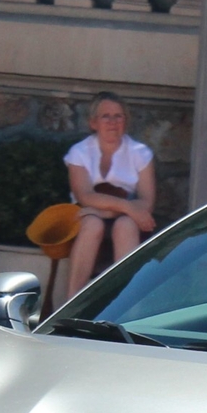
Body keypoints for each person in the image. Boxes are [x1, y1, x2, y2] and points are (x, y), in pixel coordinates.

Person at [62, 92, 156, 297]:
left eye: (118, 116)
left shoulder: (140, 153)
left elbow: (147, 202)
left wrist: (122, 211)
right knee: (92, 224)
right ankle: (71, 303)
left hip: (123, 217)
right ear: (94, 122)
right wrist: (127, 207)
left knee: (125, 226)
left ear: (126, 121)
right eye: (106, 116)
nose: (113, 122)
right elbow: (84, 196)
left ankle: (125, 303)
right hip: (90, 215)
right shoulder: (80, 152)